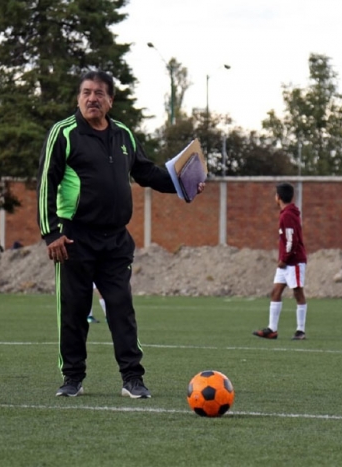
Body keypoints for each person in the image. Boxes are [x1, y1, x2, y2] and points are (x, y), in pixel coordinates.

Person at [36, 70, 204, 399]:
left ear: (110, 101)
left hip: (115, 240)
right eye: (86, 92)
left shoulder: (124, 134)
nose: (92, 98)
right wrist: (50, 233)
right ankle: (72, 378)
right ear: (78, 98)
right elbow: (46, 183)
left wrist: (183, 184)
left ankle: (132, 379)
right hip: (73, 238)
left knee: (120, 308)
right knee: (73, 310)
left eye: (99, 93)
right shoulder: (63, 133)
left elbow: (147, 173)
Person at [253, 183, 308, 340]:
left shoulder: (288, 215)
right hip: (286, 262)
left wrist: (284, 259)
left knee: (298, 293)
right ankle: (272, 329)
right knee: (275, 292)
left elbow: (292, 240)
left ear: (278, 197)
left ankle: (300, 330)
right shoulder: (287, 213)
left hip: (293, 261)